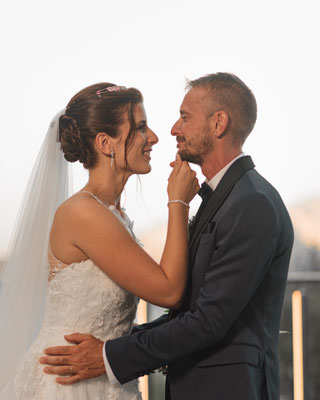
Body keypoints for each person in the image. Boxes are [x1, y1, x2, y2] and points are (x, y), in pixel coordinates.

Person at [41, 73, 294, 400]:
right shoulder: (229, 198)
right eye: (141, 127)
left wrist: (110, 353)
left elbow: (205, 318)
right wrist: (112, 349)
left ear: (219, 124)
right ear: (105, 143)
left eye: (185, 117)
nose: (171, 130)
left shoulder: (251, 203)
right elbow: (188, 310)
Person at [0, 83, 199, 399]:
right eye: (140, 128)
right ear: (106, 143)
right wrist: (178, 203)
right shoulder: (84, 213)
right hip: (71, 385)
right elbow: (170, 291)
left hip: (101, 378)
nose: (154, 138)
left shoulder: (112, 215)